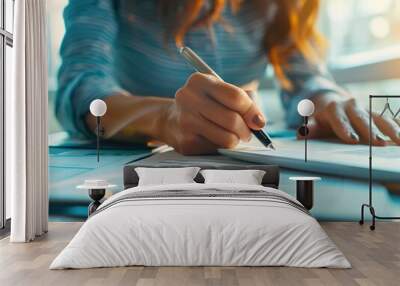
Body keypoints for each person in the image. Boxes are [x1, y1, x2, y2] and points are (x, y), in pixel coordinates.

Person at [56, 0, 400, 155]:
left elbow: (304, 79)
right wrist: (165, 117)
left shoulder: (283, 5)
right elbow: (81, 87)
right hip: (133, 161)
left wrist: (327, 101)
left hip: (238, 156)